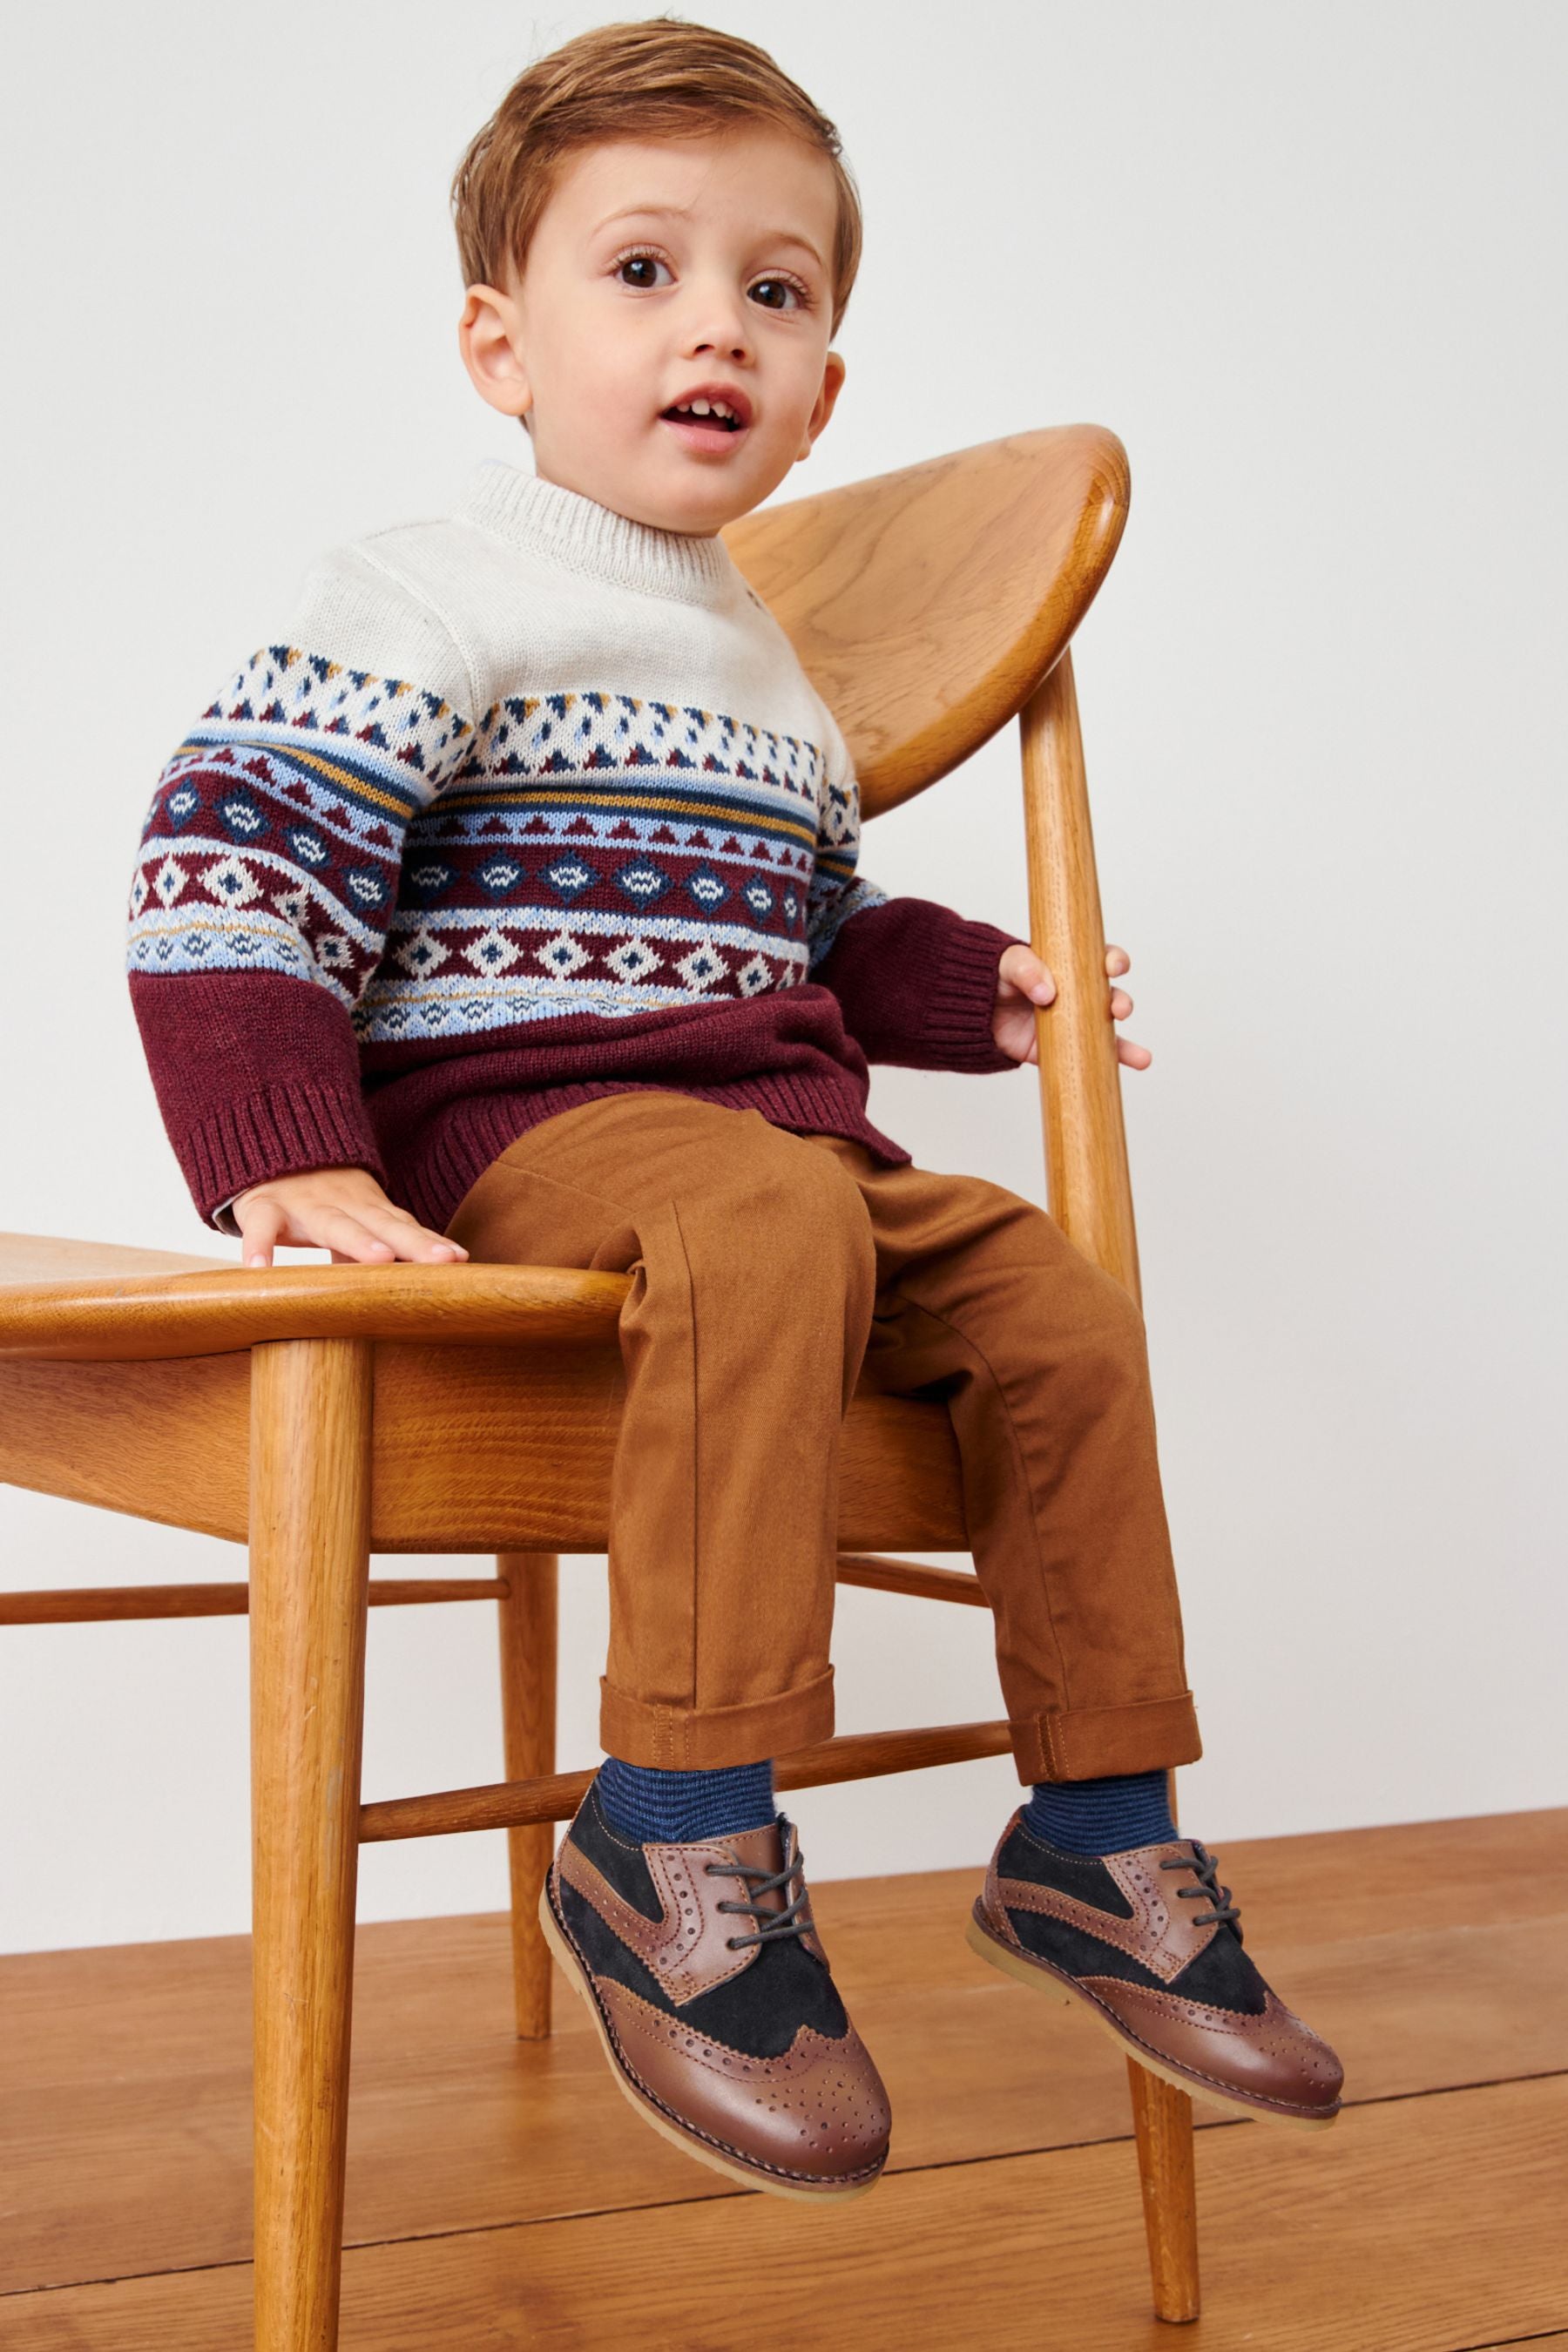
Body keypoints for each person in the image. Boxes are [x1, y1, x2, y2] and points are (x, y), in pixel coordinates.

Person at [125, 17, 1342, 2202]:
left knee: (1049, 1305)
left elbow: (817, 923)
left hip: (771, 1150)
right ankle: (671, 1837)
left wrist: (973, 983)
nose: (718, 327)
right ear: (501, 343)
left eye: (776, 295)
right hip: (526, 1124)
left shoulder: (767, 666)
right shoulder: (433, 588)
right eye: (645, 273)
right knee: (760, 1220)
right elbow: (236, 848)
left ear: (823, 388)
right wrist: (279, 1142)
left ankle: (1098, 1834)